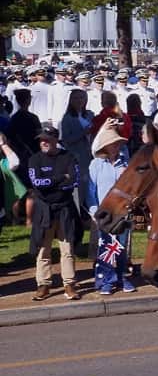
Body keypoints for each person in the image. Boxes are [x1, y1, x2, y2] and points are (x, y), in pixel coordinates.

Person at [27, 125, 81, 301]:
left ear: (56, 140)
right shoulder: (35, 159)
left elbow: (74, 181)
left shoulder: (69, 157)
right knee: (43, 249)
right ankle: (43, 284)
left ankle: (69, 284)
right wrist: (60, 178)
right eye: (41, 140)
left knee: (67, 248)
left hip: (65, 207)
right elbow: (38, 184)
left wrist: (57, 184)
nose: (44, 142)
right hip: (44, 210)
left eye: (47, 139)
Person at [87, 121, 134, 295]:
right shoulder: (96, 164)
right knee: (106, 246)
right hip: (104, 212)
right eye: (112, 144)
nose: (115, 146)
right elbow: (90, 191)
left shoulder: (125, 163)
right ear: (105, 146)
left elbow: (131, 188)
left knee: (121, 246)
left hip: (122, 212)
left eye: (117, 143)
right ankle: (105, 280)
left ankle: (122, 276)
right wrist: (94, 211)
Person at [59, 88, 93, 216]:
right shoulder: (67, 118)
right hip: (76, 155)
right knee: (80, 184)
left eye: (81, 98)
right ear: (71, 101)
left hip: (91, 154)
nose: (79, 101)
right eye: (76, 98)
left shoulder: (90, 115)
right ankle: (80, 212)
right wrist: (83, 133)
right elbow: (66, 139)